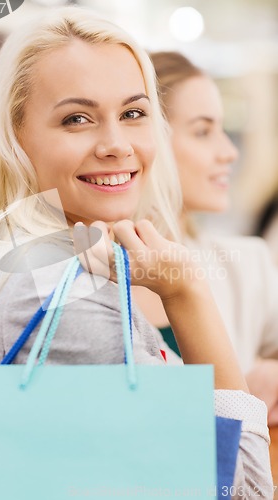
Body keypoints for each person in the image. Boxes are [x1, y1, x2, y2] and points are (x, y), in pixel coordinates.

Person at [0, 7, 273, 495]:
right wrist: (187, 292)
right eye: (77, 119)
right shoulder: (65, 299)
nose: (116, 144)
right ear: (17, 135)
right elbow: (246, 488)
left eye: (133, 113)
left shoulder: (32, 253)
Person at [134, 51, 278, 426]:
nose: (229, 152)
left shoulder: (246, 262)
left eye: (221, 129)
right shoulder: (84, 272)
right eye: (202, 131)